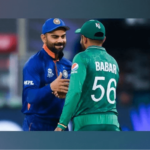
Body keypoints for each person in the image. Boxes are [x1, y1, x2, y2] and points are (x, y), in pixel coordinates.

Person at [55, 20, 120, 131]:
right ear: (103, 39)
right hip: (112, 122)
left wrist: (62, 124)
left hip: (87, 122)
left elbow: (75, 91)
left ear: (84, 39)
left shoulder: (82, 57)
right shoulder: (113, 62)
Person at [21, 18, 72, 131]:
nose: (60, 40)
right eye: (55, 37)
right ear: (43, 38)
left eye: (63, 36)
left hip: (61, 126)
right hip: (37, 124)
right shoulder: (34, 63)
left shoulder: (69, 65)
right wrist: (51, 87)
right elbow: (28, 97)